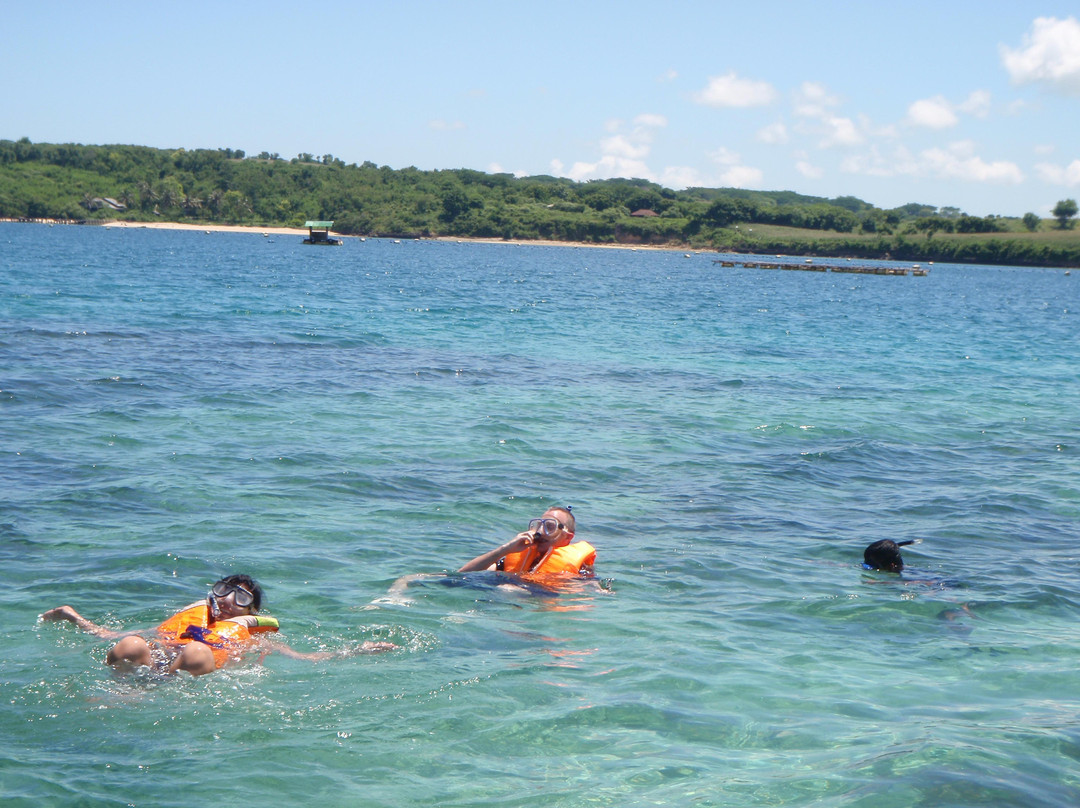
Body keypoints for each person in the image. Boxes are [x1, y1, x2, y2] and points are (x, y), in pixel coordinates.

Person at [41, 573, 395, 676]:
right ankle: (121, 691)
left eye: (241, 599)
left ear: (251, 611)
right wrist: (74, 618)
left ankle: (134, 696)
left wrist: (356, 651)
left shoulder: (256, 640)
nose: (228, 600)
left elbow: (305, 658)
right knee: (132, 643)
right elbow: (109, 635)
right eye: (225, 590)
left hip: (192, 666)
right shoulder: (187, 620)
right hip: (159, 661)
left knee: (196, 651)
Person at [458, 506, 595, 578]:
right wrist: (506, 549)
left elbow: (592, 590)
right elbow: (464, 573)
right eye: (538, 525)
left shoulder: (579, 569)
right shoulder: (517, 559)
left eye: (549, 527)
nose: (540, 532)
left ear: (567, 537)